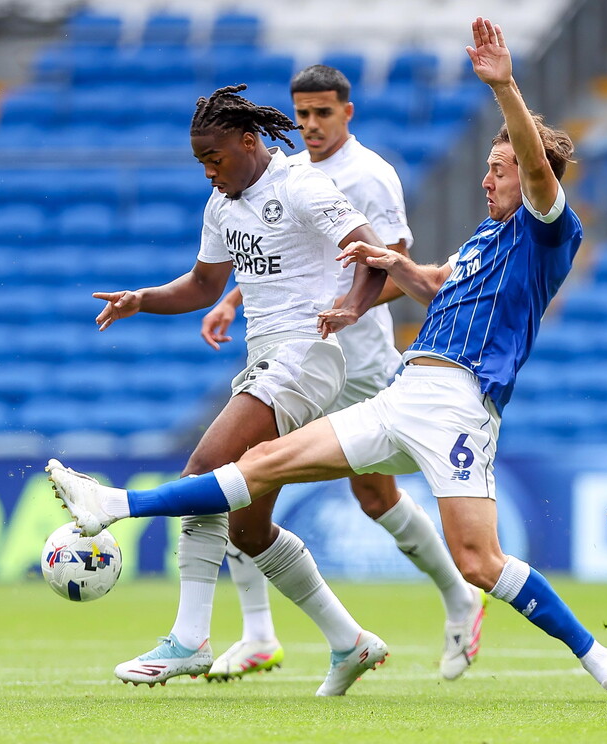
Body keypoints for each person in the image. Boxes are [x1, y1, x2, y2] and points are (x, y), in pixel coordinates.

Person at [48, 18, 607, 703]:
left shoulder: (547, 230)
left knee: (479, 561)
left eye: (499, 169)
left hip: (460, 406)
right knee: (257, 469)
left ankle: (599, 656)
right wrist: (394, 266)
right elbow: (432, 286)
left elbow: (538, 171)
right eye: (486, 168)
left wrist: (505, 85)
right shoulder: (483, 241)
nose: (489, 180)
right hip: (402, 391)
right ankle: (116, 506)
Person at [85, 82, 393, 697]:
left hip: (307, 355)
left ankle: (189, 639)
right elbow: (203, 285)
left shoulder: (301, 186)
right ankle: (351, 641)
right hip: (267, 359)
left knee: (205, 468)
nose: (208, 171)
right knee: (248, 529)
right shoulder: (222, 204)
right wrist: (142, 299)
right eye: (200, 162)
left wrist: (353, 308)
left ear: (249, 142)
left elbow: (374, 255)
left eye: (216, 158)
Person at [199, 65, 485, 683]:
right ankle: (257, 633)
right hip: (299, 359)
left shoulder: (369, 175)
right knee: (243, 478)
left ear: (346, 113)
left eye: (322, 114)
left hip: (360, 363)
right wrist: (232, 299)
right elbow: (282, 264)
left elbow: (396, 266)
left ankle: (461, 594)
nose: (310, 126)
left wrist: (346, 305)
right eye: (301, 115)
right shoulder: (280, 178)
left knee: (373, 493)